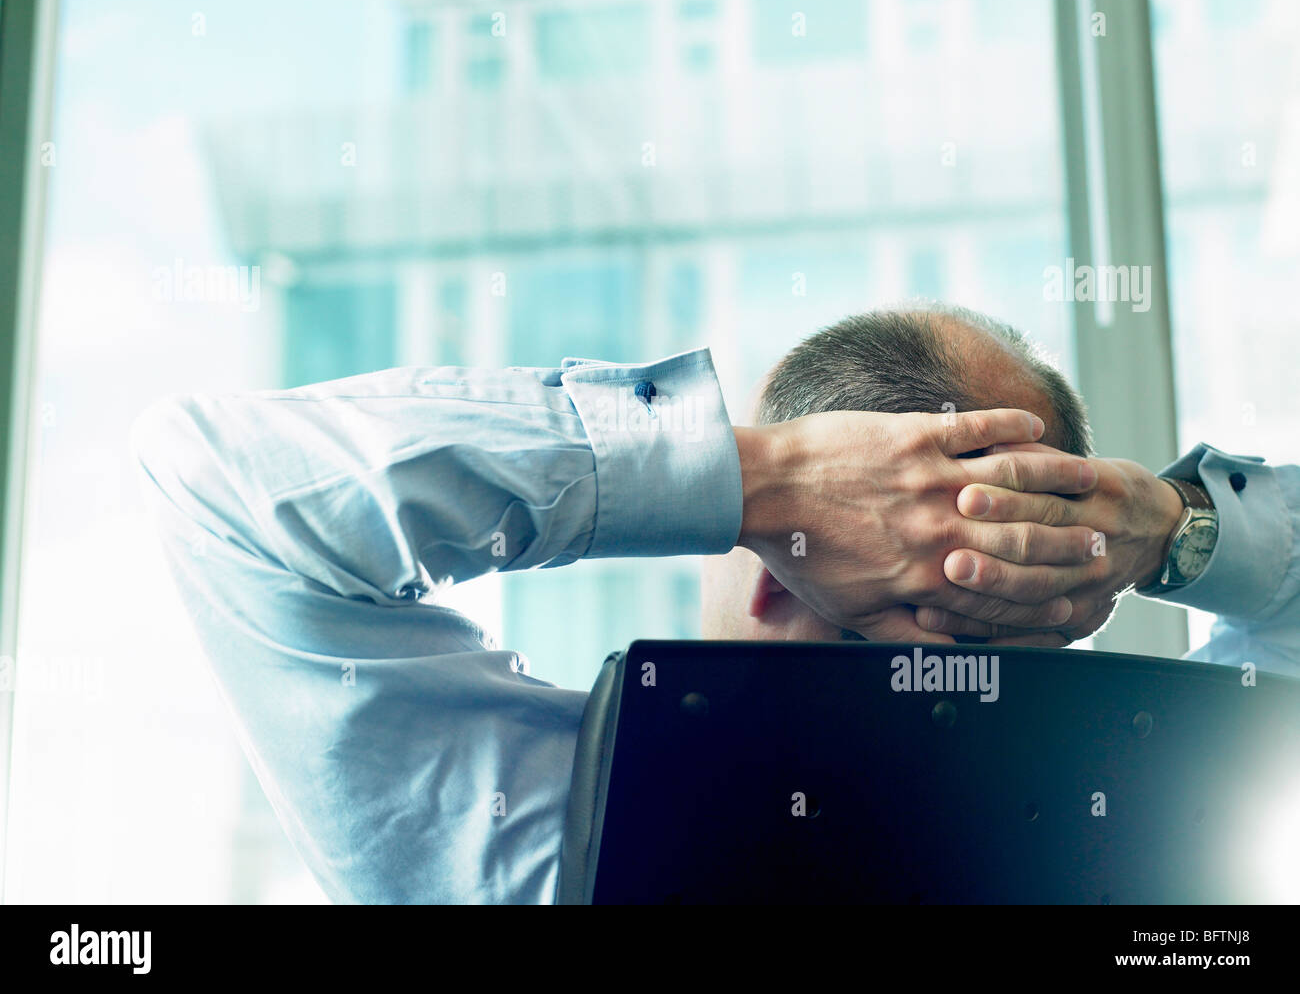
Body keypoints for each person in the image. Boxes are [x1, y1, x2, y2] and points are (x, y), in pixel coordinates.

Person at [131, 302, 1298, 903]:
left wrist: (1171, 525)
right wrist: (773, 480)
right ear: (777, 572)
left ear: (1072, 598)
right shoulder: (542, 842)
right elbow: (218, 484)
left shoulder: (514, 852)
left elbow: (228, 495)